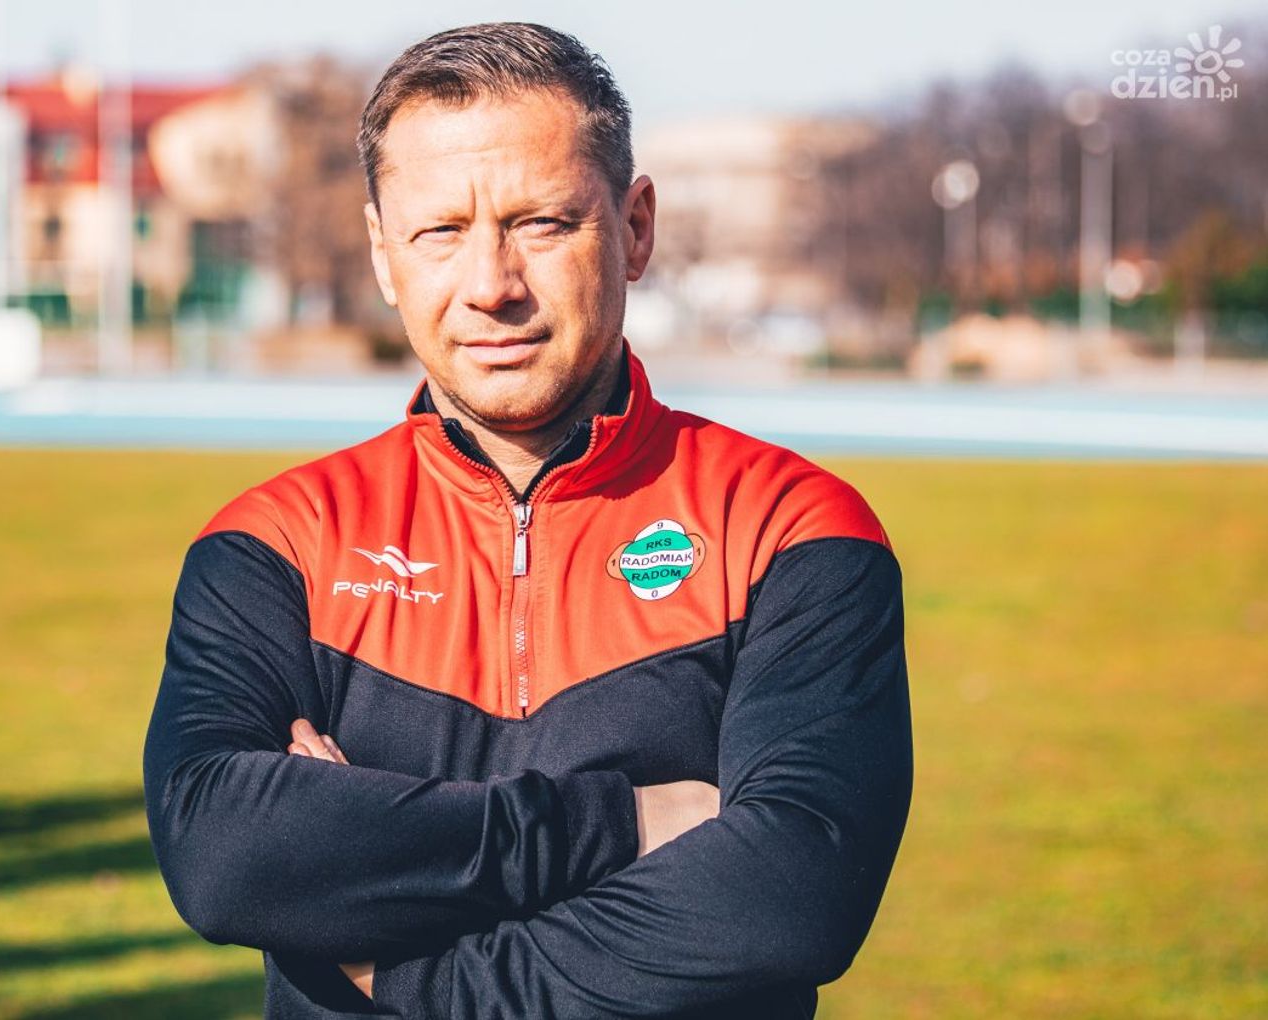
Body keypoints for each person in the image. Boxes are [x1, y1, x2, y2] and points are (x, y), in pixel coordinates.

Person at [144, 22, 912, 1019]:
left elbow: (791, 896)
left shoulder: (790, 529)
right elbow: (225, 857)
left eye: (541, 223)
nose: (490, 286)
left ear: (635, 228)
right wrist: (626, 825)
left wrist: (407, 973)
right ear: (383, 255)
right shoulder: (276, 543)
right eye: (439, 232)